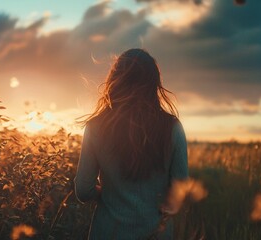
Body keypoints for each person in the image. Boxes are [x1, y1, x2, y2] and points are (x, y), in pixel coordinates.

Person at [74, 48, 188, 240]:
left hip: (108, 233)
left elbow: (83, 191)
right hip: (156, 234)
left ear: (115, 80)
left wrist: (105, 193)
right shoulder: (173, 127)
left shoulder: (95, 126)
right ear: (154, 83)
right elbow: (181, 188)